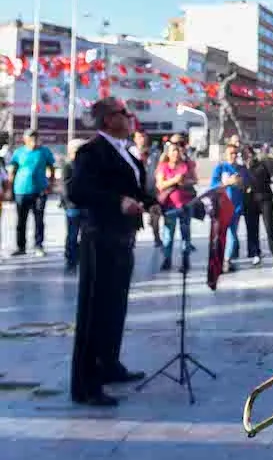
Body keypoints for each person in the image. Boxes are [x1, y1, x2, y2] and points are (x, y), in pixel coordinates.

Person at [68, 97, 159, 407]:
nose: (129, 117)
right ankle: (85, 385)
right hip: (100, 238)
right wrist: (117, 201)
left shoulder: (126, 152)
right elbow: (77, 191)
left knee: (115, 307)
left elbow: (134, 189)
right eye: (123, 113)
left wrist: (150, 202)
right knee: (94, 312)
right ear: (108, 119)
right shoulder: (91, 152)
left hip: (123, 239)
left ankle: (109, 365)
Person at [8, 129, 56, 257]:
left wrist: (50, 184)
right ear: (25, 140)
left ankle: (38, 245)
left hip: (40, 190)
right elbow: (12, 169)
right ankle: (21, 246)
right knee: (21, 220)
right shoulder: (19, 152)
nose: (33, 142)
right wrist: (9, 187)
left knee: (39, 219)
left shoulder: (44, 151)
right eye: (30, 139)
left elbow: (51, 168)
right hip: (21, 190)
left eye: (35, 139)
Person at [155, 141, 198, 272]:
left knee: (186, 234)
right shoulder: (163, 167)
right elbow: (160, 185)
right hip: (170, 206)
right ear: (167, 153)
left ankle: (186, 260)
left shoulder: (185, 165)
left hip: (186, 205)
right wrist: (174, 180)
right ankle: (167, 259)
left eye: (177, 150)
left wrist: (184, 181)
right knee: (168, 234)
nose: (175, 153)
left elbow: (195, 180)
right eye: (172, 150)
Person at [243, 145, 273, 270]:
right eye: (246, 155)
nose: (249, 157)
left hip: (265, 198)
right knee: (252, 228)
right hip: (250, 201)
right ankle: (255, 253)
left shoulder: (263, 164)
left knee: (270, 226)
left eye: (251, 154)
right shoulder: (242, 168)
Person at [211, 144, 249, 273]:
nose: (233, 156)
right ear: (225, 155)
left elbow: (247, 185)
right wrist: (226, 183)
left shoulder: (241, 169)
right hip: (222, 207)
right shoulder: (220, 168)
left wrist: (240, 183)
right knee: (220, 235)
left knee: (233, 235)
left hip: (236, 208)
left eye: (235, 153)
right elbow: (213, 186)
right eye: (230, 153)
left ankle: (228, 260)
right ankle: (219, 260)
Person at [61, 138, 87, 273]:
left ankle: (82, 259)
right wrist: (71, 203)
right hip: (73, 207)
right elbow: (65, 187)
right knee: (72, 235)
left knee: (86, 235)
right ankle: (70, 260)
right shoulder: (68, 166)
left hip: (86, 206)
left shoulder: (88, 166)